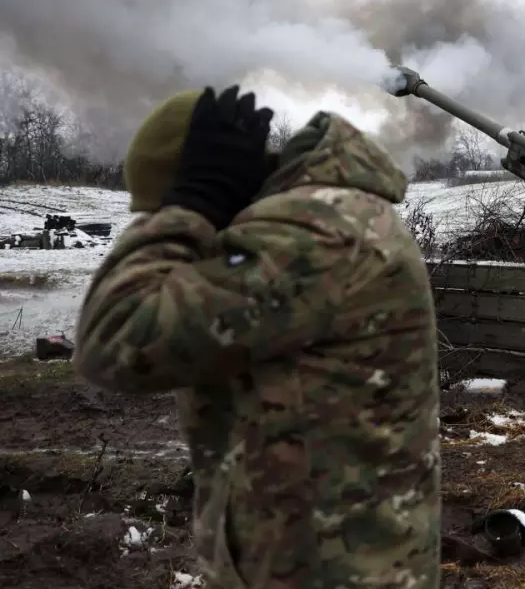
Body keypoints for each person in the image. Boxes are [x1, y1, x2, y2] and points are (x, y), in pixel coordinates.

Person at [73, 86, 440, 588]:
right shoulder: (311, 221)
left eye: (161, 210)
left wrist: (186, 211)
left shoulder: (316, 231)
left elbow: (115, 341)